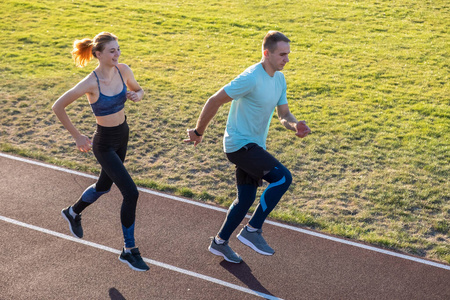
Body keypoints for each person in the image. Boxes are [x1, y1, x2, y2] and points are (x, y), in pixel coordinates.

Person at [184, 31, 311, 263]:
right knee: (283, 178)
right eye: (282, 54)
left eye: (288, 54)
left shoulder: (279, 79)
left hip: (254, 146)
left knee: (245, 198)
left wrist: (294, 126)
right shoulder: (251, 77)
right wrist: (198, 132)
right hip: (239, 145)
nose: (287, 59)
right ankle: (252, 230)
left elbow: (283, 114)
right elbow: (214, 100)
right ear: (267, 53)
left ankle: (219, 243)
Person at [52, 32, 149, 271]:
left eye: (118, 49)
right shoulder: (90, 83)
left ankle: (73, 212)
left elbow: (139, 90)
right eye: (112, 51)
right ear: (98, 54)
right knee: (131, 193)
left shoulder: (123, 70)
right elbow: (58, 106)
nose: (117, 54)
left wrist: (137, 95)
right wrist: (77, 136)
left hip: (122, 136)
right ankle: (129, 250)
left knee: (104, 187)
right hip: (104, 143)